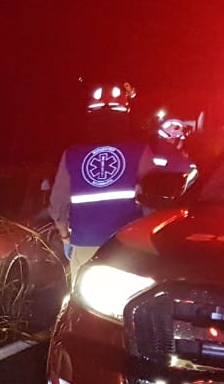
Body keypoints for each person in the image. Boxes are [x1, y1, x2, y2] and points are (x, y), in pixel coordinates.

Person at [49, 82, 157, 280]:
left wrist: (65, 236)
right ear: (125, 114)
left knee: (82, 302)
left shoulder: (72, 155)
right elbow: (155, 199)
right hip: (126, 245)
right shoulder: (140, 151)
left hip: (84, 241)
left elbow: (58, 202)